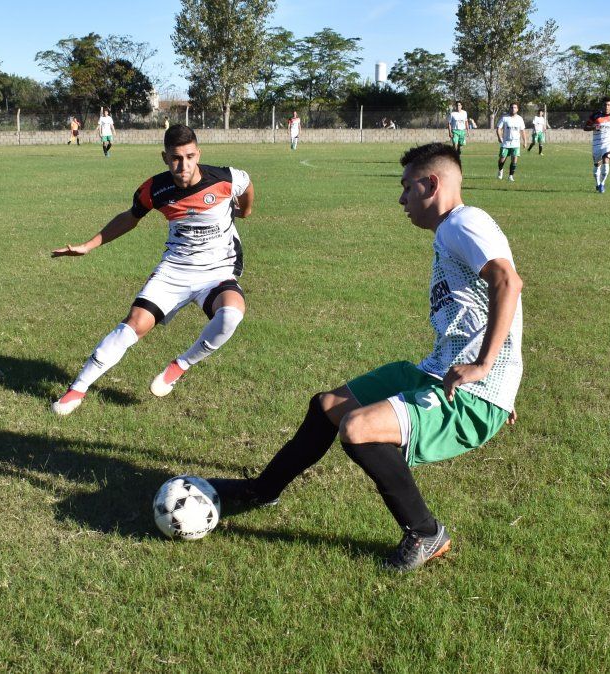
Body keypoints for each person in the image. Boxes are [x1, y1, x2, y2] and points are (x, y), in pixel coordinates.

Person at [209, 142, 523, 572]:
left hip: (469, 392)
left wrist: (490, 372)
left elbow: (507, 281)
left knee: (357, 430)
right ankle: (263, 490)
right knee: (328, 407)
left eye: (407, 187)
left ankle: (426, 533)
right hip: (436, 372)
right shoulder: (456, 228)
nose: (402, 199)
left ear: (431, 184)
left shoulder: (463, 223)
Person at [50, 124, 256, 415]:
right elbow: (129, 218)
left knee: (231, 316)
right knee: (131, 326)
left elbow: (246, 185)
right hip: (175, 270)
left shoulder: (225, 178)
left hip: (217, 270)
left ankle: (179, 366)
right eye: (175, 158)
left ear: (198, 154)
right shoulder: (155, 189)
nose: (183, 165)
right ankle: (76, 390)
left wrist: (244, 211)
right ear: (164, 157)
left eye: (189, 156)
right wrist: (88, 245)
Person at [584, 97, 610, 193]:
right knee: (597, 165)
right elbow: (585, 127)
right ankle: (598, 183)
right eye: (605, 105)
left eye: (608, 105)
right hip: (596, 144)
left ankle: (602, 184)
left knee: (606, 160)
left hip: (608, 143)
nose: (606, 107)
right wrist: (593, 127)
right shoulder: (595, 116)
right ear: (602, 106)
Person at [496, 103, 527, 182]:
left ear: (517, 109)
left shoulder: (520, 119)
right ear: (509, 108)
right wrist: (499, 137)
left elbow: (522, 131)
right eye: (512, 107)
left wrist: (525, 141)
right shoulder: (505, 118)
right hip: (506, 143)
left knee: (514, 159)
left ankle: (510, 176)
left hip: (516, 143)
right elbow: (498, 128)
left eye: (515, 107)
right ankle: (500, 170)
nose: (513, 109)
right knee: (502, 159)